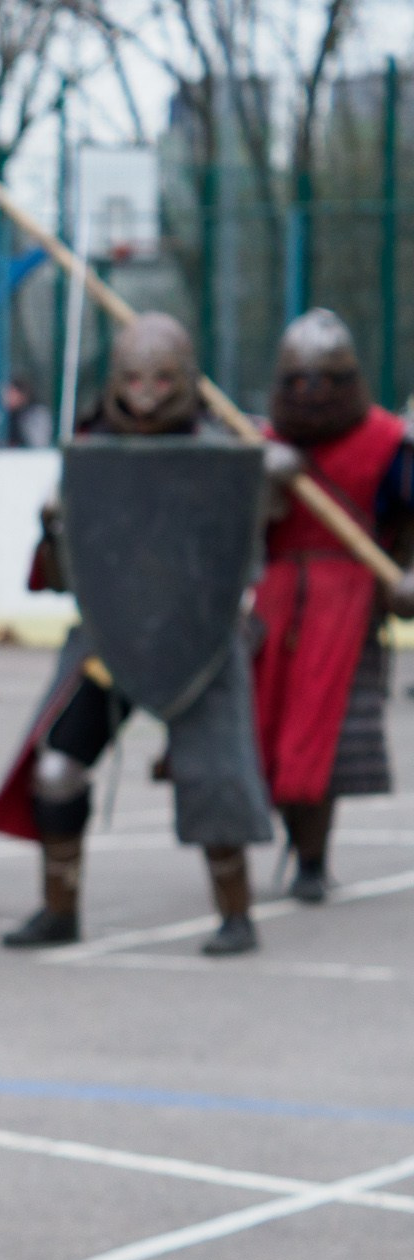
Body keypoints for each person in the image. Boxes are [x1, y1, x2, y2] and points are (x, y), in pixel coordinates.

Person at [0, 312, 273, 955]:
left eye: (161, 379)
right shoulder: (92, 454)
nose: (146, 394)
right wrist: (55, 524)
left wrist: (268, 480)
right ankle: (59, 910)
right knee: (59, 768)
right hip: (110, 634)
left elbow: (245, 552)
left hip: (197, 634)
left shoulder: (220, 453)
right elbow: (65, 578)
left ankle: (237, 914)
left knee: (214, 777)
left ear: (185, 381)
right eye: (134, 379)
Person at [253, 309, 414, 901]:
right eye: (298, 382)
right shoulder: (260, 444)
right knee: (269, 730)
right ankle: (291, 846)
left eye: (324, 381)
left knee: (329, 738)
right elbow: (234, 535)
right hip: (272, 604)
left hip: (348, 605)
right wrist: (264, 483)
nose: (311, 394)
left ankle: (313, 862)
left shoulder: (389, 444)